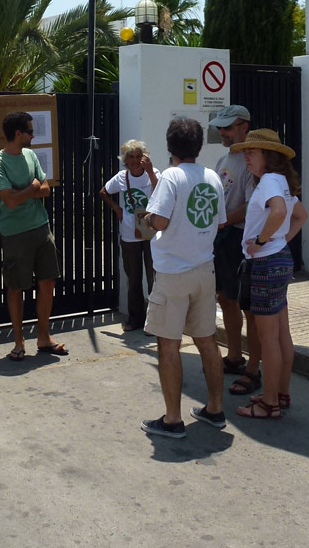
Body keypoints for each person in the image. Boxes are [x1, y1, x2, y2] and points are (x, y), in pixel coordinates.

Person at [139, 117, 226, 438]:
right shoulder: (212, 177)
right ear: (200, 146)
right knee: (207, 341)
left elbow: (159, 222)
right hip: (205, 269)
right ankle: (215, 408)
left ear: (169, 145)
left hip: (173, 273)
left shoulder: (171, 177)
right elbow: (217, 223)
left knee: (169, 345)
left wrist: (147, 217)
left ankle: (173, 419)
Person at [231, 129, 307, 419]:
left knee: (269, 339)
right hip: (278, 259)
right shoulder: (281, 183)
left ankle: (269, 404)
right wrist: (280, 241)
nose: (247, 157)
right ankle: (280, 393)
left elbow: (277, 212)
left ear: (268, 155)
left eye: (252, 152)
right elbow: (300, 215)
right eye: (246, 152)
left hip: (264, 263)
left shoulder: (268, 183)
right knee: (281, 334)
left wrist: (262, 241)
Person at [0, 111, 68, 361]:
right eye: (30, 131)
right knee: (16, 288)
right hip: (14, 233)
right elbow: (9, 202)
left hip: (41, 227)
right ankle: (18, 341)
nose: (34, 135)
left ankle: (44, 337)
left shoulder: (31, 155)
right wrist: (31, 187)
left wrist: (24, 191)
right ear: (18, 134)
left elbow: (45, 189)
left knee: (48, 282)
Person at [207, 104, 260, 392]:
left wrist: (224, 222)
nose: (222, 132)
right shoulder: (223, 159)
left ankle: (253, 369)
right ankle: (235, 356)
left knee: (248, 307)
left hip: (241, 239)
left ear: (244, 126)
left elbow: (253, 205)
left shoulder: (251, 161)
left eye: (227, 127)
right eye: (221, 127)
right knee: (226, 298)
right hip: (224, 238)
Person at [99, 139, 158, 331]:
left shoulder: (154, 173)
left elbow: (163, 193)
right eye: (131, 157)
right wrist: (117, 209)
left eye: (138, 156)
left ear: (145, 157)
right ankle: (135, 319)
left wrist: (150, 172)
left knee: (153, 278)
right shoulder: (121, 177)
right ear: (125, 160)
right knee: (133, 279)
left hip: (150, 232)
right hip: (129, 235)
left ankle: (155, 321)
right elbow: (104, 192)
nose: (135, 160)